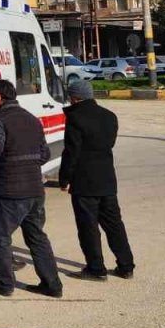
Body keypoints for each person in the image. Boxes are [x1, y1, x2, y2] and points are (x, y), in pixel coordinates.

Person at [0, 79, 63, 298]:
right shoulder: (32, 119)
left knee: (1, 238)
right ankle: (52, 285)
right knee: (37, 238)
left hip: (9, 191)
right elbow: (44, 154)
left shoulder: (0, 120)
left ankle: (4, 284)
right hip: (35, 190)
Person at [60, 80, 135, 280]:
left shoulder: (75, 118)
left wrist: (64, 178)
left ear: (74, 97)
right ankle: (126, 266)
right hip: (107, 179)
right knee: (114, 224)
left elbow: (71, 152)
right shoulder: (109, 116)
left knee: (88, 227)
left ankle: (96, 269)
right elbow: (110, 143)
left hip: (84, 182)